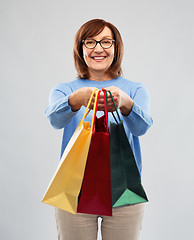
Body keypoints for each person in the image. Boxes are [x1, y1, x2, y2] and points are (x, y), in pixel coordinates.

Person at [45, 19, 153, 240]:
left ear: (116, 48)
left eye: (106, 42)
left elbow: (141, 128)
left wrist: (126, 103)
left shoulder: (134, 89)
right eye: (90, 42)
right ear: (80, 48)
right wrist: (75, 99)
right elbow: (55, 120)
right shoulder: (64, 90)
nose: (98, 49)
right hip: (74, 192)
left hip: (124, 193)